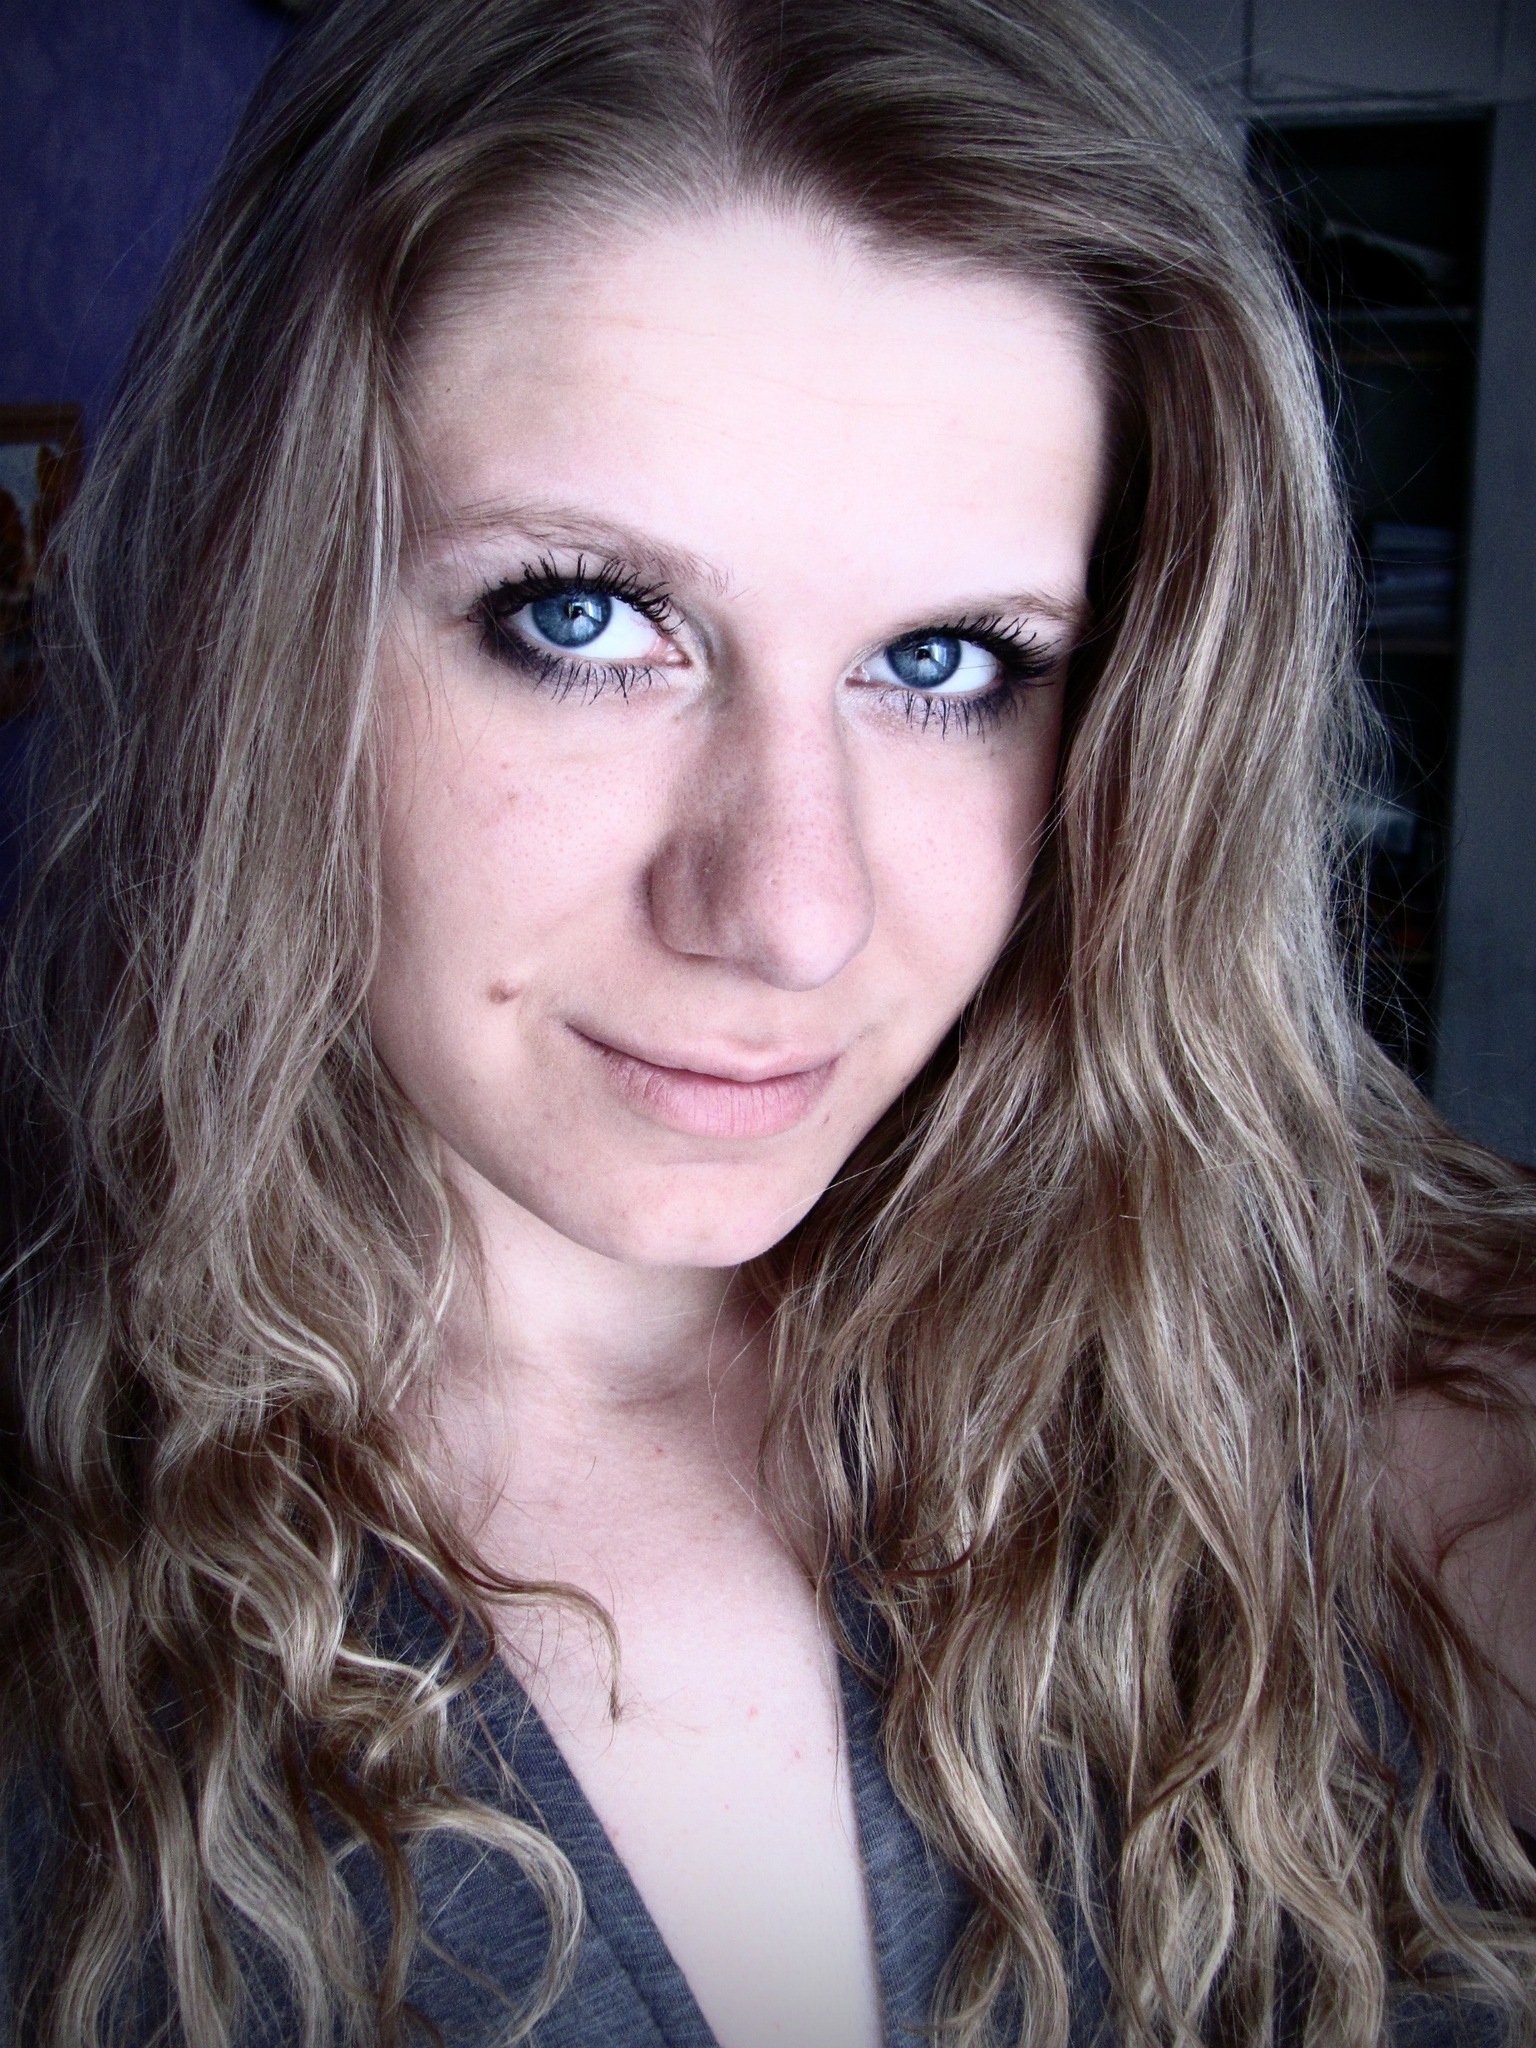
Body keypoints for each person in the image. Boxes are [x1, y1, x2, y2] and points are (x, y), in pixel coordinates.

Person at [2, 0, 1534, 2042]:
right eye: (581, 618)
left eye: (950, 660)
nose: (793, 914)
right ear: (258, 617)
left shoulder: (1374, 1396)